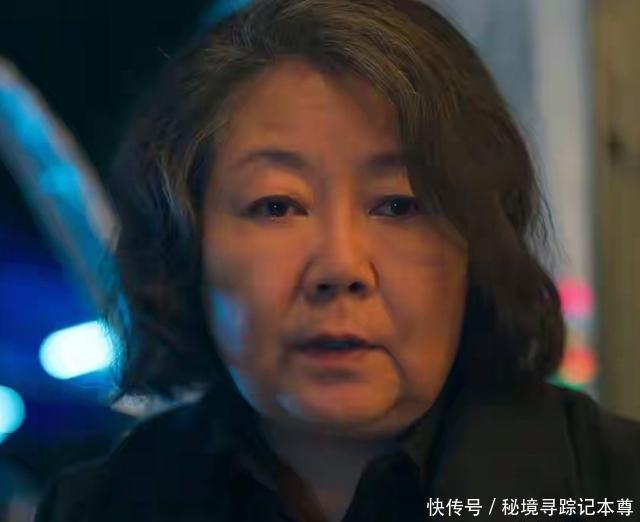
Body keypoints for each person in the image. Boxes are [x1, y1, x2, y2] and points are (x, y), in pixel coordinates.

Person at [35, 0, 640, 521]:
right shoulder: (99, 508)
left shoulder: (610, 487)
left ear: (479, 246)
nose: (341, 267)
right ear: (188, 247)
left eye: (399, 205)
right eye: (277, 206)